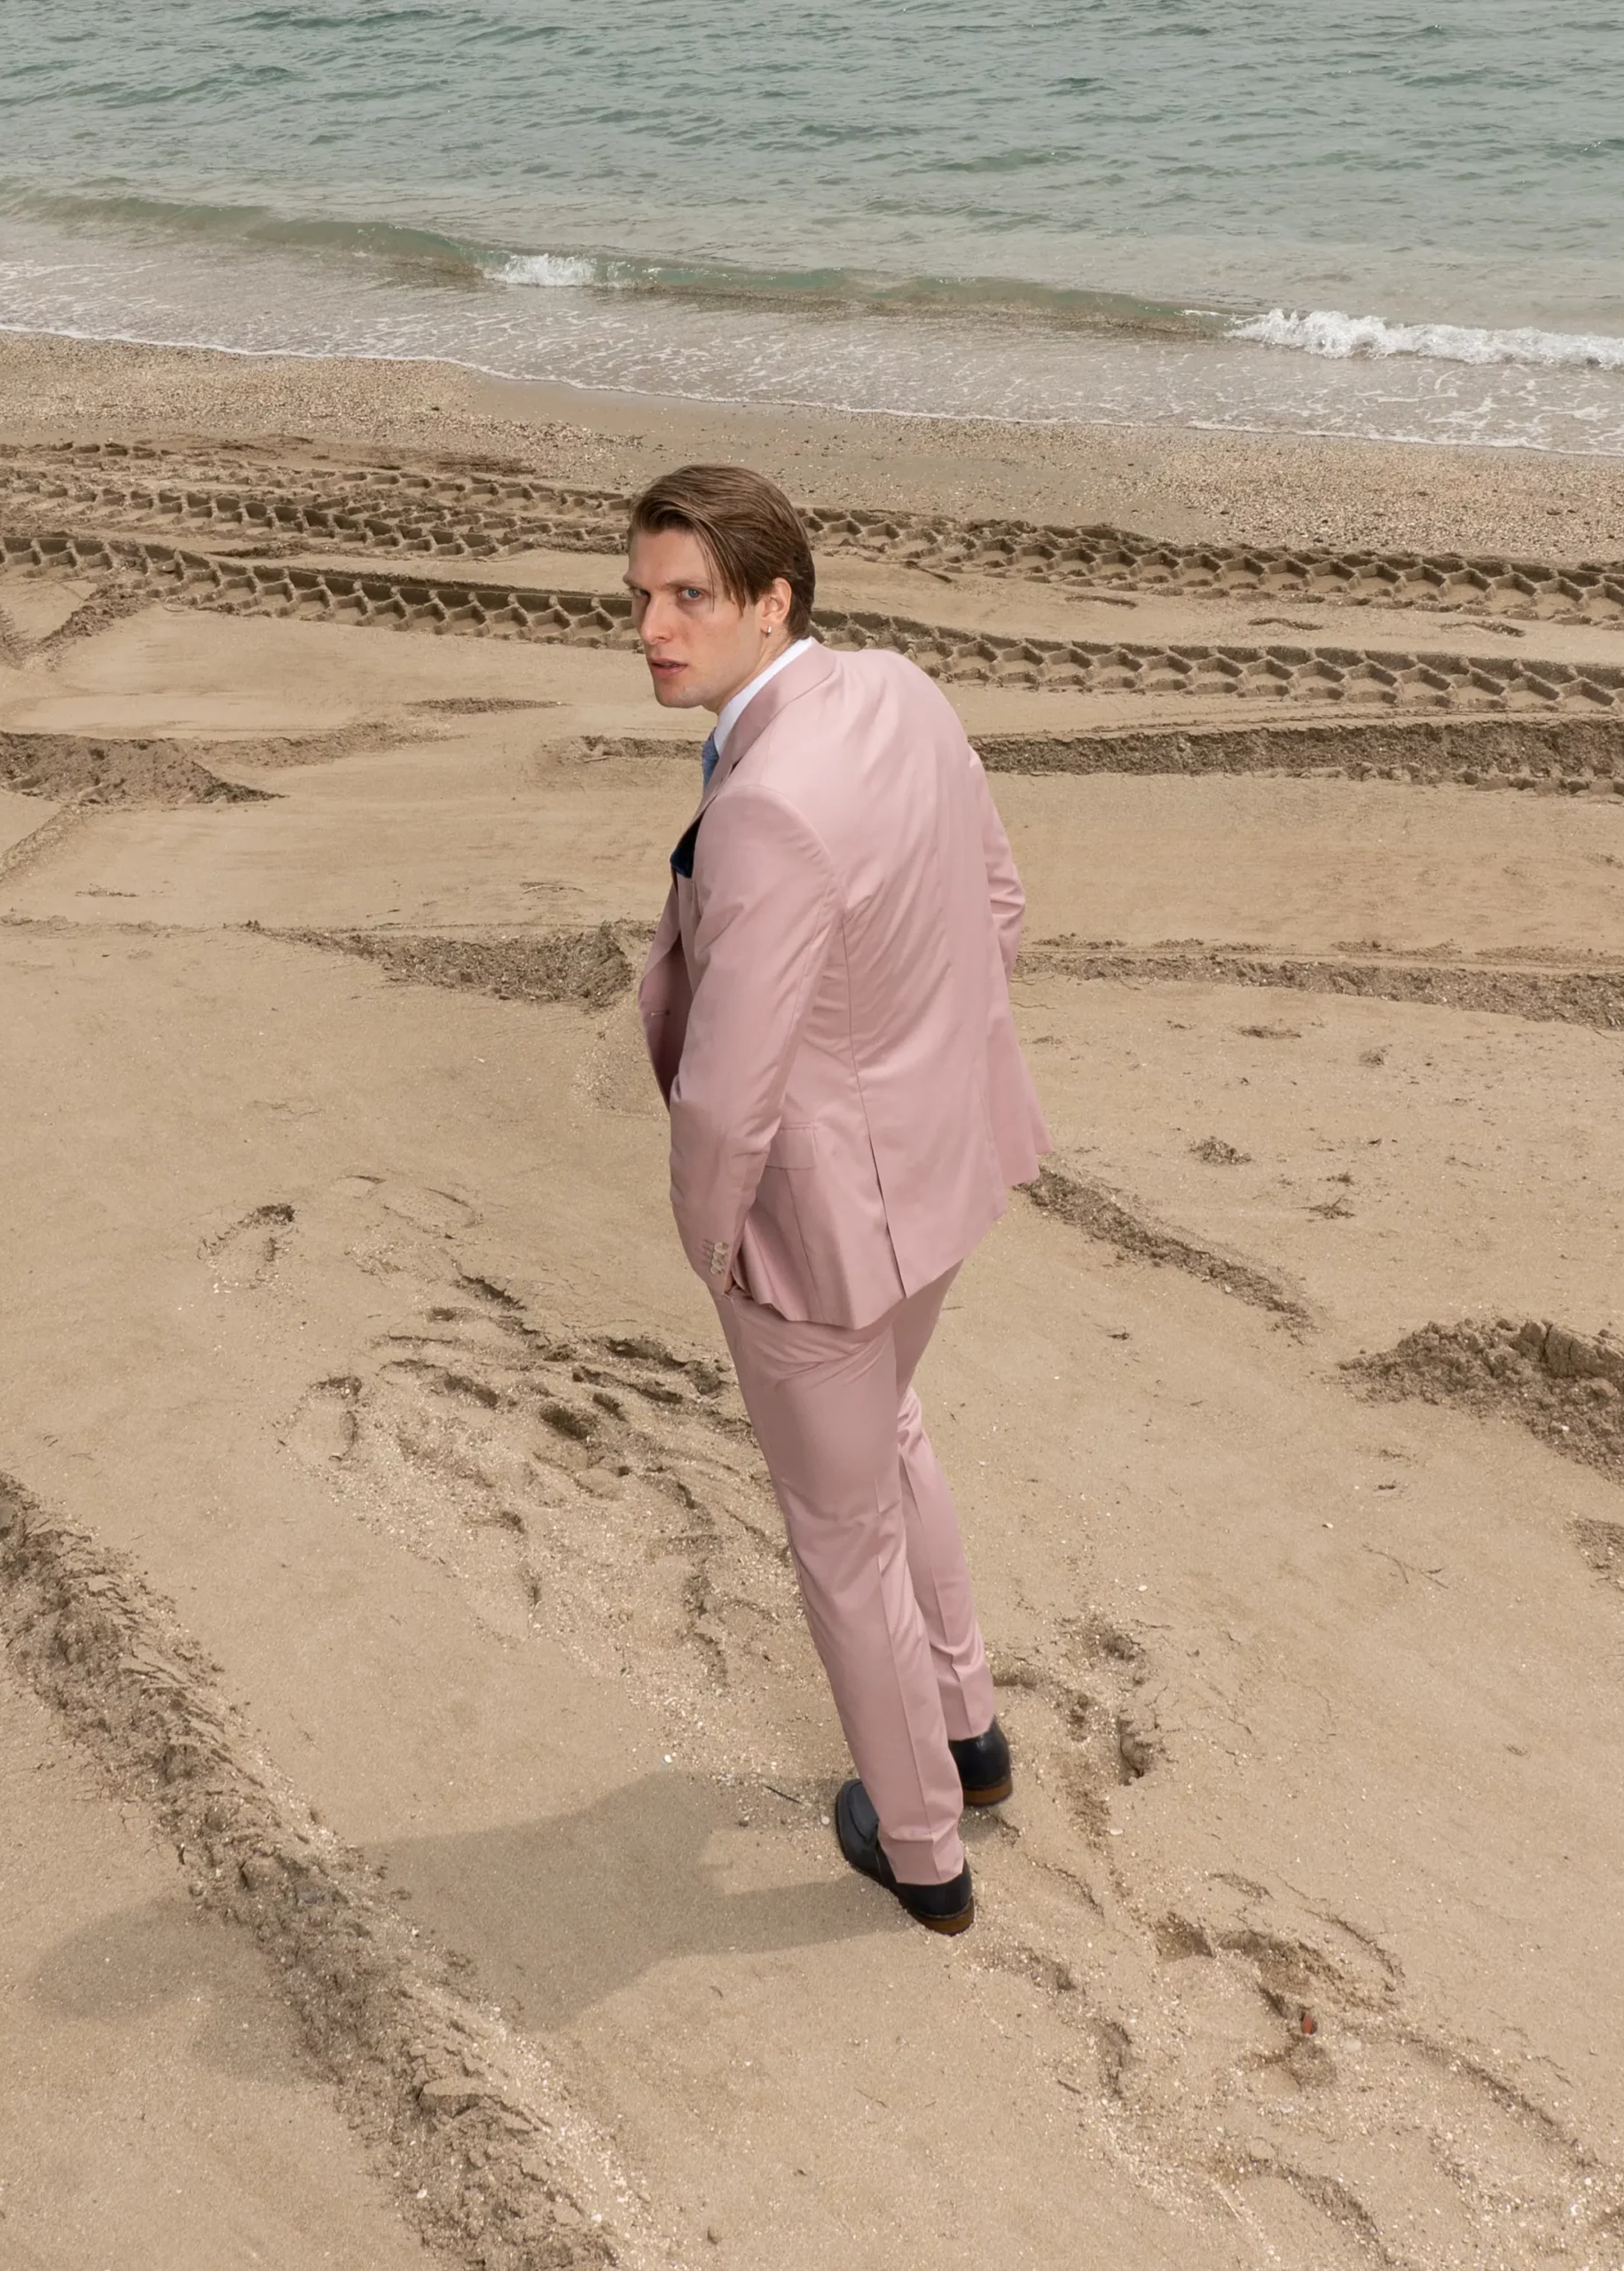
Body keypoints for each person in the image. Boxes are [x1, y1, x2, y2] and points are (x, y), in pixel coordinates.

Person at [628, 464, 1049, 1934]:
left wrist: (713, 1245)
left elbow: (727, 1093)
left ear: (773, 602)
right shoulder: (903, 692)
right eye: (640, 598)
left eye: (689, 597)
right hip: (942, 1177)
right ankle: (970, 1730)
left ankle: (921, 1844)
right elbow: (999, 906)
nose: (654, 630)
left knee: (838, 1531)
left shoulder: (767, 806)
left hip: (812, 1235)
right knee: (895, 1432)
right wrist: (926, 1080)